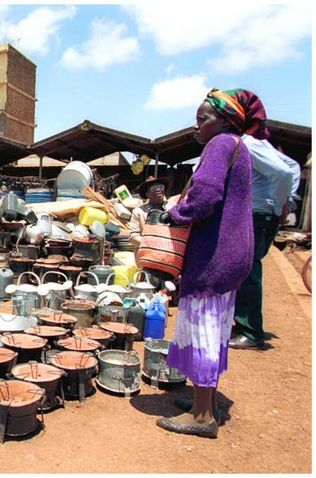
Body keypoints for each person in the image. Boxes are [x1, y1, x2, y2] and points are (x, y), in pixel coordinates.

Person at [155, 88, 255, 439]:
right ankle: (204, 401)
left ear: (224, 122)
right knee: (215, 327)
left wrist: (175, 213)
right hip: (233, 254)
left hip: (214, 255)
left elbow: (206, 195)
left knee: (202, 330)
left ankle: (201, 417)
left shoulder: (221, 145)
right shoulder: (241, 148)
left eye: (203, 120)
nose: (196, 127)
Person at [228, 97, 301, 349]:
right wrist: (286, 200)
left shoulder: (248, 144)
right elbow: (291, 165)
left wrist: (281, 205)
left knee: (247, 271)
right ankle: (242, 325)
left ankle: (250, 332)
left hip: (257, 214)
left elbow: (283, 173)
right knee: (245, 270)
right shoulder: (257, 143)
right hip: (260, 214)